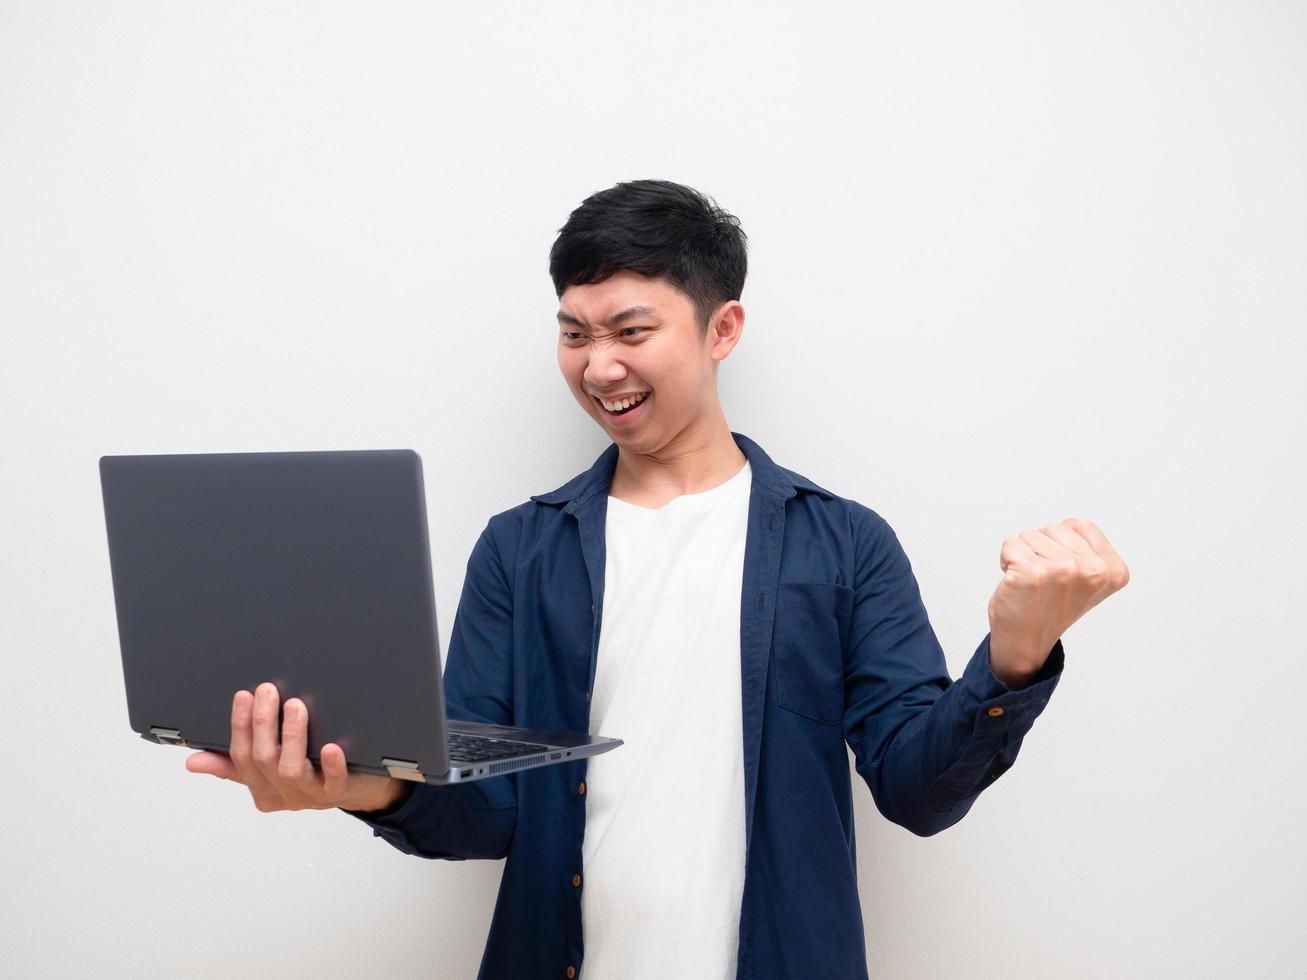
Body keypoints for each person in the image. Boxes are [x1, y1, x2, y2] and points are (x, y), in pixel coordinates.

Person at [185, 178, 1130, 979]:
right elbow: (483, 814)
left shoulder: (844, 545)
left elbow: (920, 793)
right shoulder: (520, 550)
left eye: (631, 329)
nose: (599, 366)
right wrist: (360, 788)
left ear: (722, 328)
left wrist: (1014, 656)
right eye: (573, 333)